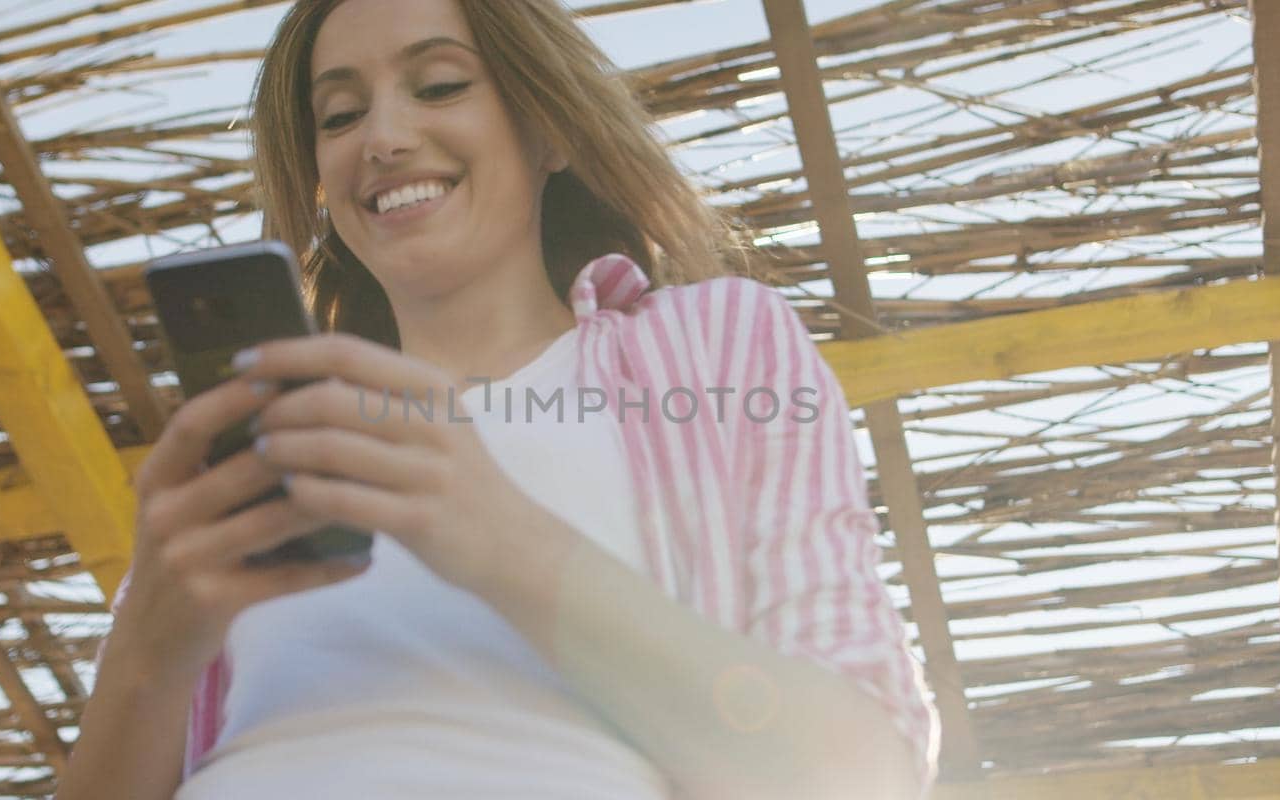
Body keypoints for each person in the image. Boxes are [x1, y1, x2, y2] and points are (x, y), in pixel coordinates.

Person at [56, 0, 939, 798]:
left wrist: (493, 535)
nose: (384, 136)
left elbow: (858, 768)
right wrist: (147, 648)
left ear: (547, 129)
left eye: (439, 85)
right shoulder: (273, 434)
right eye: (340, 113)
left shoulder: (710, 344)